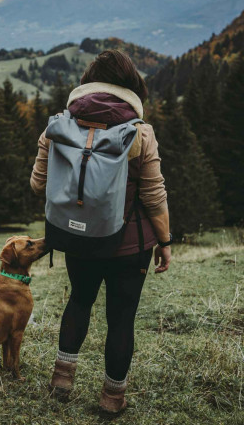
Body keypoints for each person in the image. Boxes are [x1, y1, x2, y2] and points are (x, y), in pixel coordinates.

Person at [30, 50, 172, 414]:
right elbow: (154, 196)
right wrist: (165, 241)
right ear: (130, 86)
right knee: (121, 318)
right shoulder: (141, 133)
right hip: (130, 244)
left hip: (77, 238)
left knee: (79, 300)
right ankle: (112, 400)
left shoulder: (59, 125)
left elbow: (37, 184)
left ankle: (62, 378)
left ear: (89, 83)